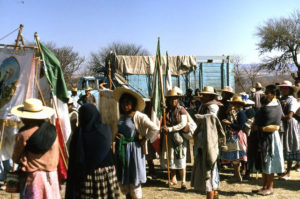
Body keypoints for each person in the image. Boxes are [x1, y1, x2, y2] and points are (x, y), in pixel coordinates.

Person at [65, 104, 120, 199]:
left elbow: (75, 159)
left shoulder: (79, 134)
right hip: (107, 174)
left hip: (86, 176)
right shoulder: (105, 130)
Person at [114, 87, 160, 199]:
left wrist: (145, 138)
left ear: (133, 103)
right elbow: (115, 130)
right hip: (122, 150)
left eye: (128, 103)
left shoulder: (139, 116)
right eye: (123, 103)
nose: (125, 105)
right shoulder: (120, 117)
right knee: (125, 178)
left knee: (134, 178)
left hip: (134, 150)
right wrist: (116, 135)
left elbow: (155, 128)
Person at [11, 98, 60, 199]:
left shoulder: (23, 135)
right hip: (52, 175)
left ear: (26, 118)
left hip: (33, 178)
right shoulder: (52, 131)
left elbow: (15, 158)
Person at [191, 86, 226, 199]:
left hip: (210, 140)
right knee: (208, 167)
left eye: (206, 95)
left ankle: (211, 194)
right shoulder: (204, 106)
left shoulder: (213, 107)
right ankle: (214, 193)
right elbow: (201, 123)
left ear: (210, 96)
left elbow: (212, 119)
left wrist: (201, 117)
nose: (203, 97)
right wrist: (196, 132)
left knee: (209, 166)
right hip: (203, 139)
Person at [251, 85, 284, 196]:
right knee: (263, 161)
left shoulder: (275, 106)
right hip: (263, 136)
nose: (265, 94)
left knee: (269, 160)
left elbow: (274, 122)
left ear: (274, 94)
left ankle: (270, 187)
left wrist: (259, 127)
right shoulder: (270, 105)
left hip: (270, 137)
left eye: (268, 92)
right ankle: (264, 186)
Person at [160, 88, 191, 190]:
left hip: (180, 138)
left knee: (181, 159)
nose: (173, 101)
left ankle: (183, 181)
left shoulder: (181, 110)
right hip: (169, 137)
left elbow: (183, 124)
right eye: (171, 99)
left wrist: (170, 129)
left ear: (177, 99)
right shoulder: (166, 110)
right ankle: (173, 178)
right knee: (171, 158)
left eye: (175, 99)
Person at [221, 95, 247, 182]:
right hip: (233, 135)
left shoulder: (241, 113)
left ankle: (237, 174)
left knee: (236, 156)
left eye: (234, 103)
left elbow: (240, 126)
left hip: (237, 136)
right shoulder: (234, 112)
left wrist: (229, 124)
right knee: (234, 156)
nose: (232, 105)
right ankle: (236, 174)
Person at [278, 80, 300, 180]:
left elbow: (290, 115)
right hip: (281, 124)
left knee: (289, 145)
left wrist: (277, 117)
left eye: (285, 88)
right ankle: (282, 169)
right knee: (282, 146)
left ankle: (288, 172)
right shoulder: (280, 99)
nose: (283, 90)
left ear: (290, 89)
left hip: (289, 124)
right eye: (282, 88)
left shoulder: (292, 100)